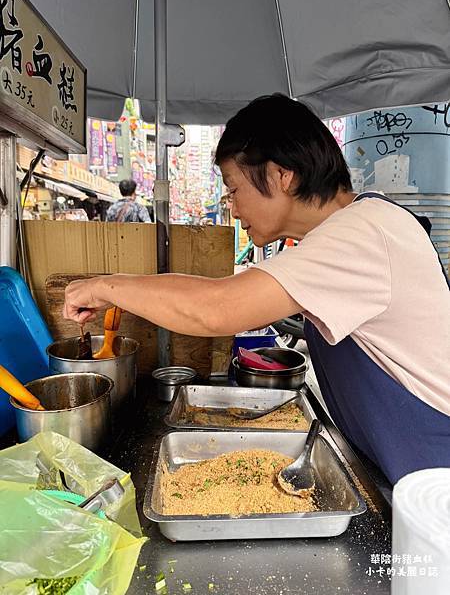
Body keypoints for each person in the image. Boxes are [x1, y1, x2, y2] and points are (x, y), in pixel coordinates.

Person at [63, 94, 450, 485]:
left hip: (435, 468)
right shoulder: (353, 227)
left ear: (283, 175)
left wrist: (102, 288)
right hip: (401, 464)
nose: (231, 207)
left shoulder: (362, 233)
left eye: (233, 189)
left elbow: (214, 307)